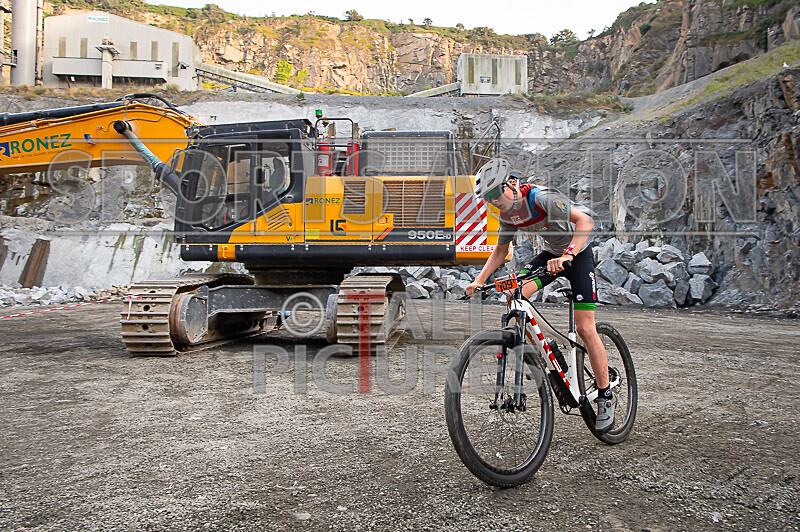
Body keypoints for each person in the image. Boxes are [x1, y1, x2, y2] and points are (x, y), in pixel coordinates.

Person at [465, 158, 614, 434]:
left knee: (584, 327)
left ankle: (605, 395)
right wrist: (479, 280)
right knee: (514, 294)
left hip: (577, 254)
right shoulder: (507, 215)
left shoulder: (541, 198)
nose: (493, 201)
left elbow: (586, 221)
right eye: (488, 198)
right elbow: (500, 251)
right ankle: (547, 352)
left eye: (495, 194)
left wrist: (568, 254)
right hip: (550, 256)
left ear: (512, 184)